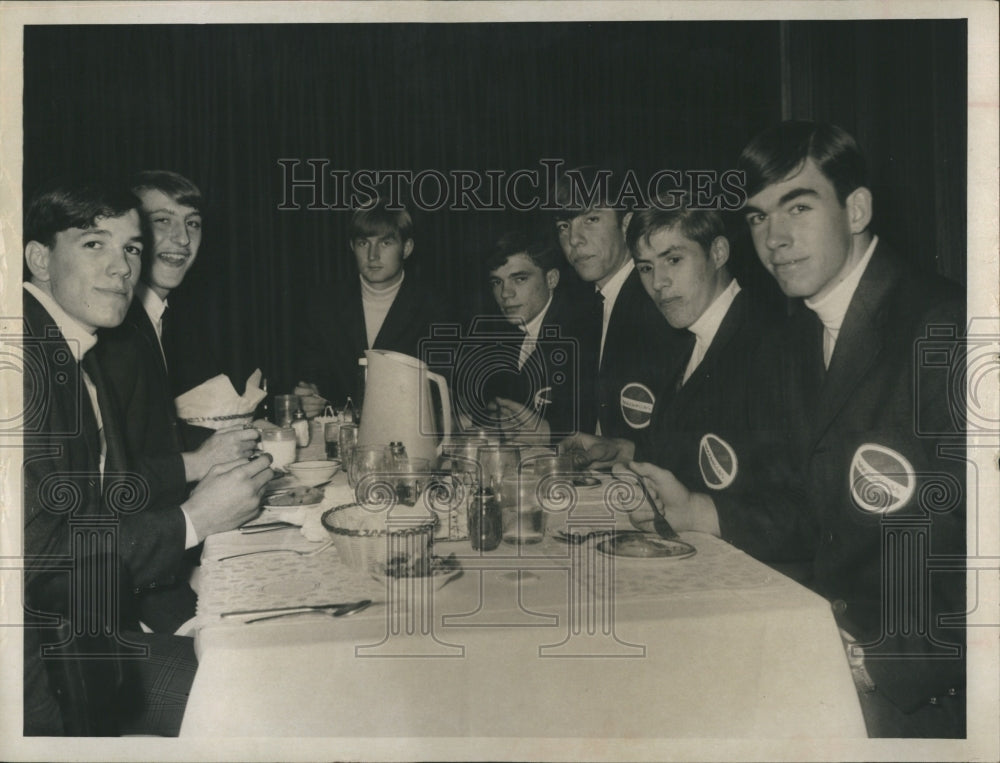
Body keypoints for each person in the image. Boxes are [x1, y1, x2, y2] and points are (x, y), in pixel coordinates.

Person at [629, 122, 966, 737]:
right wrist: (704, 511)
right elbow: (811, 511)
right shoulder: (797, 342)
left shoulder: (950, 331)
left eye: (799, 207)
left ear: (856, 208)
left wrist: (873, 665)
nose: (775, 240)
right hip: (827, 651)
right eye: (757, 218)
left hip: (932, 697)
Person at [21, 178, 274, 735]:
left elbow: (102, 491)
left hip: (79, 637)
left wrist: (196, 469)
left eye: (130, 248)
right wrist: (194, 520)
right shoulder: (23, 368)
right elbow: (39, 565)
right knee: (267, 694)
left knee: (267, 663)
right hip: (39, 674)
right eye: (94, 244)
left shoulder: (65, 345)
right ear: (39, 257)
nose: (122, 268)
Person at [96, 171, 260, 633]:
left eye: (193, 223)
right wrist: (197, 462)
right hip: (132, 594)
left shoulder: (154, 318)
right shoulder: (116, 332)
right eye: (161, 221)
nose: (181, 239)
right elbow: (111, 484)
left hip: (158, 566)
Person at [559, 200, 779, 509]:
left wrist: (700, 515)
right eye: (646, 268)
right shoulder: (688, 340)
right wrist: (623, 450)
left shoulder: (771, 345)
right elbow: (688, 454)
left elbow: (805, 508)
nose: (658, 283)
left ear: (717, 252)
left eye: (673, 259)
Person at [553, 166, 685, 438]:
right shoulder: (587, 311)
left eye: (590, 219)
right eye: (564, 226)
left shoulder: (661, 301)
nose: (573, 239)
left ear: (626, 225)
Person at [296, 197, 444, 417]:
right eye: (364, 243)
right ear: (352, 247)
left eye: (385, 243)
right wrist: (309, 396)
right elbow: (312, 377)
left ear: (407, 247)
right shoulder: (323, 304)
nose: (372, 255)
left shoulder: (435, 307)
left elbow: (442, 390)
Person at [454, 230, 593, 442]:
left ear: (551, 279)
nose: (505, 294)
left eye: (519, 279)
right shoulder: (507, 332)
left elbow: (586, 428)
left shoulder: (579, 336)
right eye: (496, 282)